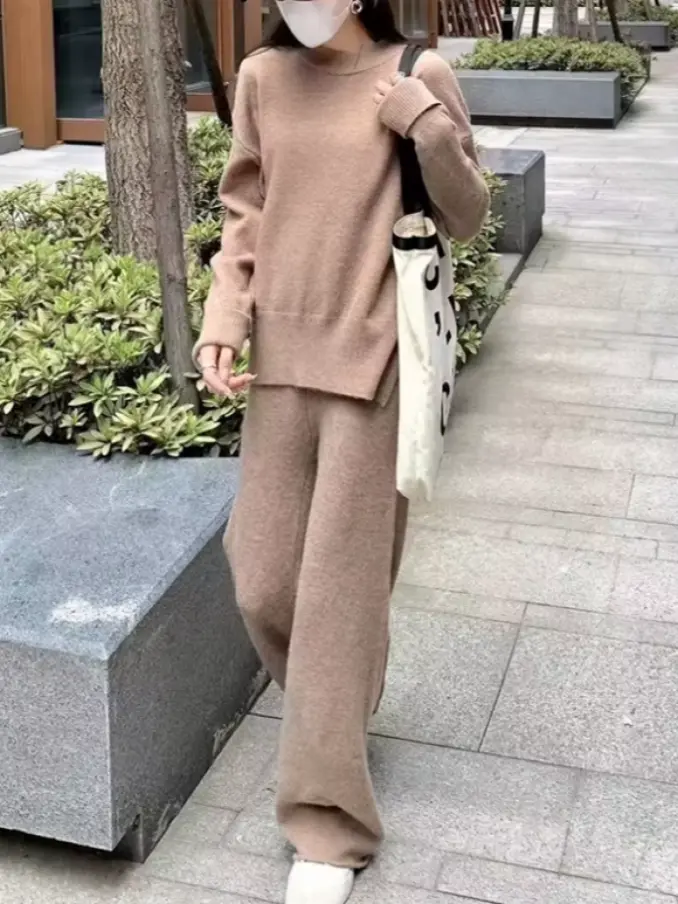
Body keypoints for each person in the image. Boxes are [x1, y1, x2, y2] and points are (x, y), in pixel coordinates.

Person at [195, 1, 490, 901]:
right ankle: (339, 703)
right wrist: (224, 316)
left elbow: (470, 213)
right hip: (282, 364)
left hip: (376, 366)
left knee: (332, 603)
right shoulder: (263, 78)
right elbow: (245, 212)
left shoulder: (416, 72)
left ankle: (329, 828)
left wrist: (423, 125)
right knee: (261, 579)